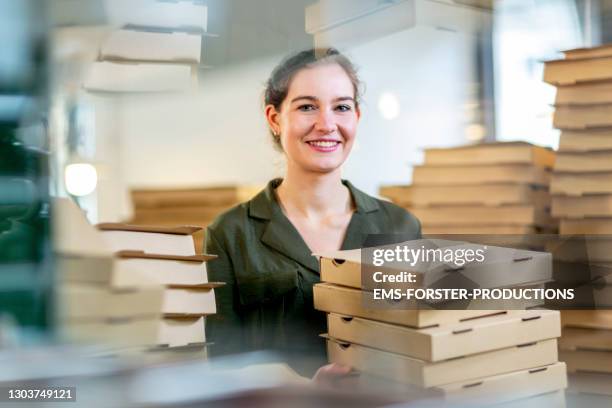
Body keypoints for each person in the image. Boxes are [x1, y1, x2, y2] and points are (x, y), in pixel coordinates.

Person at [205, 48, 421, 376]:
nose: (327, 124)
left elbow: (418, 347)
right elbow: (221, 368)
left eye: (341, 107)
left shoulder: (400, 226)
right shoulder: (229, 234)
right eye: (307, 107)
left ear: (357, 118)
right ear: (275, 119)